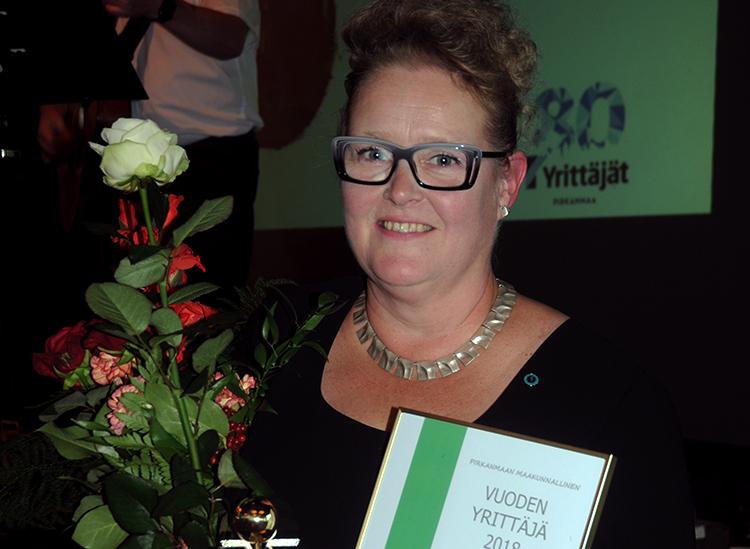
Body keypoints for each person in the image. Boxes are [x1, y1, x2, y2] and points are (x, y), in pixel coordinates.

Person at [245, 1, 696, 547]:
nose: (401, 190)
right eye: (372, 152)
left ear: (507, 183)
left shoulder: (608, 404)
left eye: (443, 159)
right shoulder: (265, 344)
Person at [103, 0, 263, 290]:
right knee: (141, 291)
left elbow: (231, 38)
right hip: (142, 158)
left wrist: (156, 6)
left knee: (210, 292)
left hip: (212, 157)